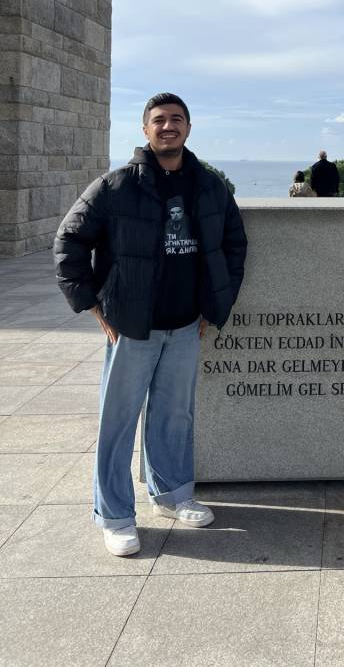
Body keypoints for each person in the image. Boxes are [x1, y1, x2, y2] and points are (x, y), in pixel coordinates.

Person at [53, 92, 247, 557]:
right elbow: (69, 240)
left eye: (176, 119)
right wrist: (93, 305)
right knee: (117, 422)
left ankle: (174, 494)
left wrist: (214, 306)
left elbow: (233, 245)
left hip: (186, 325)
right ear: (145, 129)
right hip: (131, 326)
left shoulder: (209, 185)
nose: (168, 126)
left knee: (174, 416)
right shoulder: (116, 185)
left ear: (188, 128)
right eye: (159, 120)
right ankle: (115, 516)